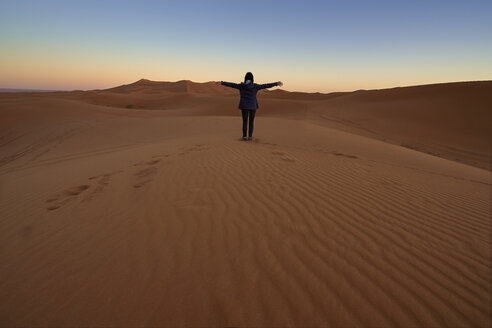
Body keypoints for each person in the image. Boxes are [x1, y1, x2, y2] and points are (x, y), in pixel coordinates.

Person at [221, 72, 283, 140]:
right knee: (251, 121)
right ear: (252, 78)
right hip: (253, 106)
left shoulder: (241, 86)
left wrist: (222, 82)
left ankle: (244, 136)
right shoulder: (255, 86)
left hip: (244, 106)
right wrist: (276, 83)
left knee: (245, 121)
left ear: (245, 78)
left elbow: (232, 85)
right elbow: (266, 85)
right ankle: (250, 137)